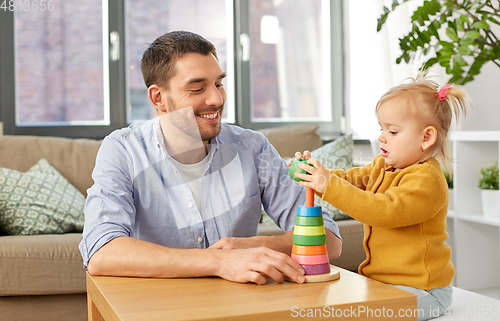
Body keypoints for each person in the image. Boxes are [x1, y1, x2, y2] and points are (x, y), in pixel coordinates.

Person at [79, 30, 342, 285]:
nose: (216, 99)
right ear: (158, 98)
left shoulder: (253, 147)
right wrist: (219, 261)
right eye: (197, 89)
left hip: (238, 306)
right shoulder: (123, 150)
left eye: (218, 84)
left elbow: (330, 240)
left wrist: (255, 245)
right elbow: (102, 252)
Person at [290, 72, 470, 319]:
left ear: (426, 137)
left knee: (361, 314)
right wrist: (317, 173)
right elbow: (351, 178)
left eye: (393, 132)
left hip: (423, 290)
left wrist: (328, 185)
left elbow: (384, 211)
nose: (381, 137)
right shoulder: (382, 166)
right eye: (381, 128)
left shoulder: (427, 181)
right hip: (383, 283)